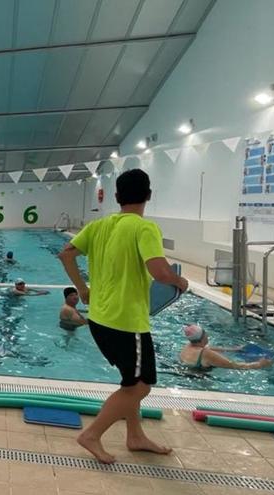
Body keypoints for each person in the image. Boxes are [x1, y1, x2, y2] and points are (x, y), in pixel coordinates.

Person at [58, 168, 188, 464]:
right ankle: (91, 435)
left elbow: (66, 254)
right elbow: (160, 271)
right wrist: (181, 283)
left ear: (116, 197)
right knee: (141, 386)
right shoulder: (144, 228)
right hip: (126, 323)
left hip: (99, 319)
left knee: (130, 383)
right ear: (149, 195)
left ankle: (135, 435)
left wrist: (83, 289)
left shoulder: (99, 225)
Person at [179, 324, 273, 370]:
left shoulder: (188, 346)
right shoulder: (206, 354)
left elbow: (208, 348)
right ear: (203, 337)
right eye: (205, 333)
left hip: (187, 373)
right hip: (201, 381)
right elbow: (232, 365)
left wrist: (233, 349)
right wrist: (259, 364)